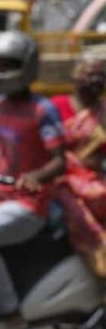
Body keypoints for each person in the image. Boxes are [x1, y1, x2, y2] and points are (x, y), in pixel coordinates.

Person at [0, 31, 65, 329]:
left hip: (28, 205)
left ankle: (10, 313)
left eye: (6, 65)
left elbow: (59, 161)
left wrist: (35, 177)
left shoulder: (42, 110)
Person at [51, 57, 106, 275]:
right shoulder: (56, 106)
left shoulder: (103, 112)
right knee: (76, 210)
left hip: (94, 177)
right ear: (75, 77)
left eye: (100, 75)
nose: (94, 80)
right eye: (89, 74)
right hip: (62, 177)